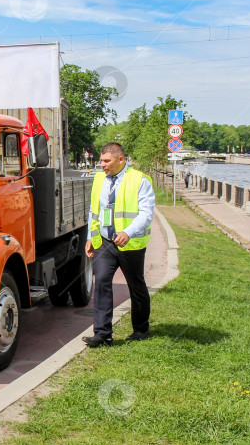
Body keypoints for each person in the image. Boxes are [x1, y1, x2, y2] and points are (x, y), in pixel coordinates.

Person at [82, 143, 155, 347]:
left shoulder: (140, 180)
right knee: (102, 282)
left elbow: (146, 214)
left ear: (120, 159)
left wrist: (128, 232)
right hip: (104, 242)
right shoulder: (99, 179)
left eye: (106, 161)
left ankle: (141, 329)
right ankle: (103, 334)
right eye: (101, 160)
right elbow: (93, 211)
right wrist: (90, 236)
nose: (102, 164)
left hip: (130, 243)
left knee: (136, 284)